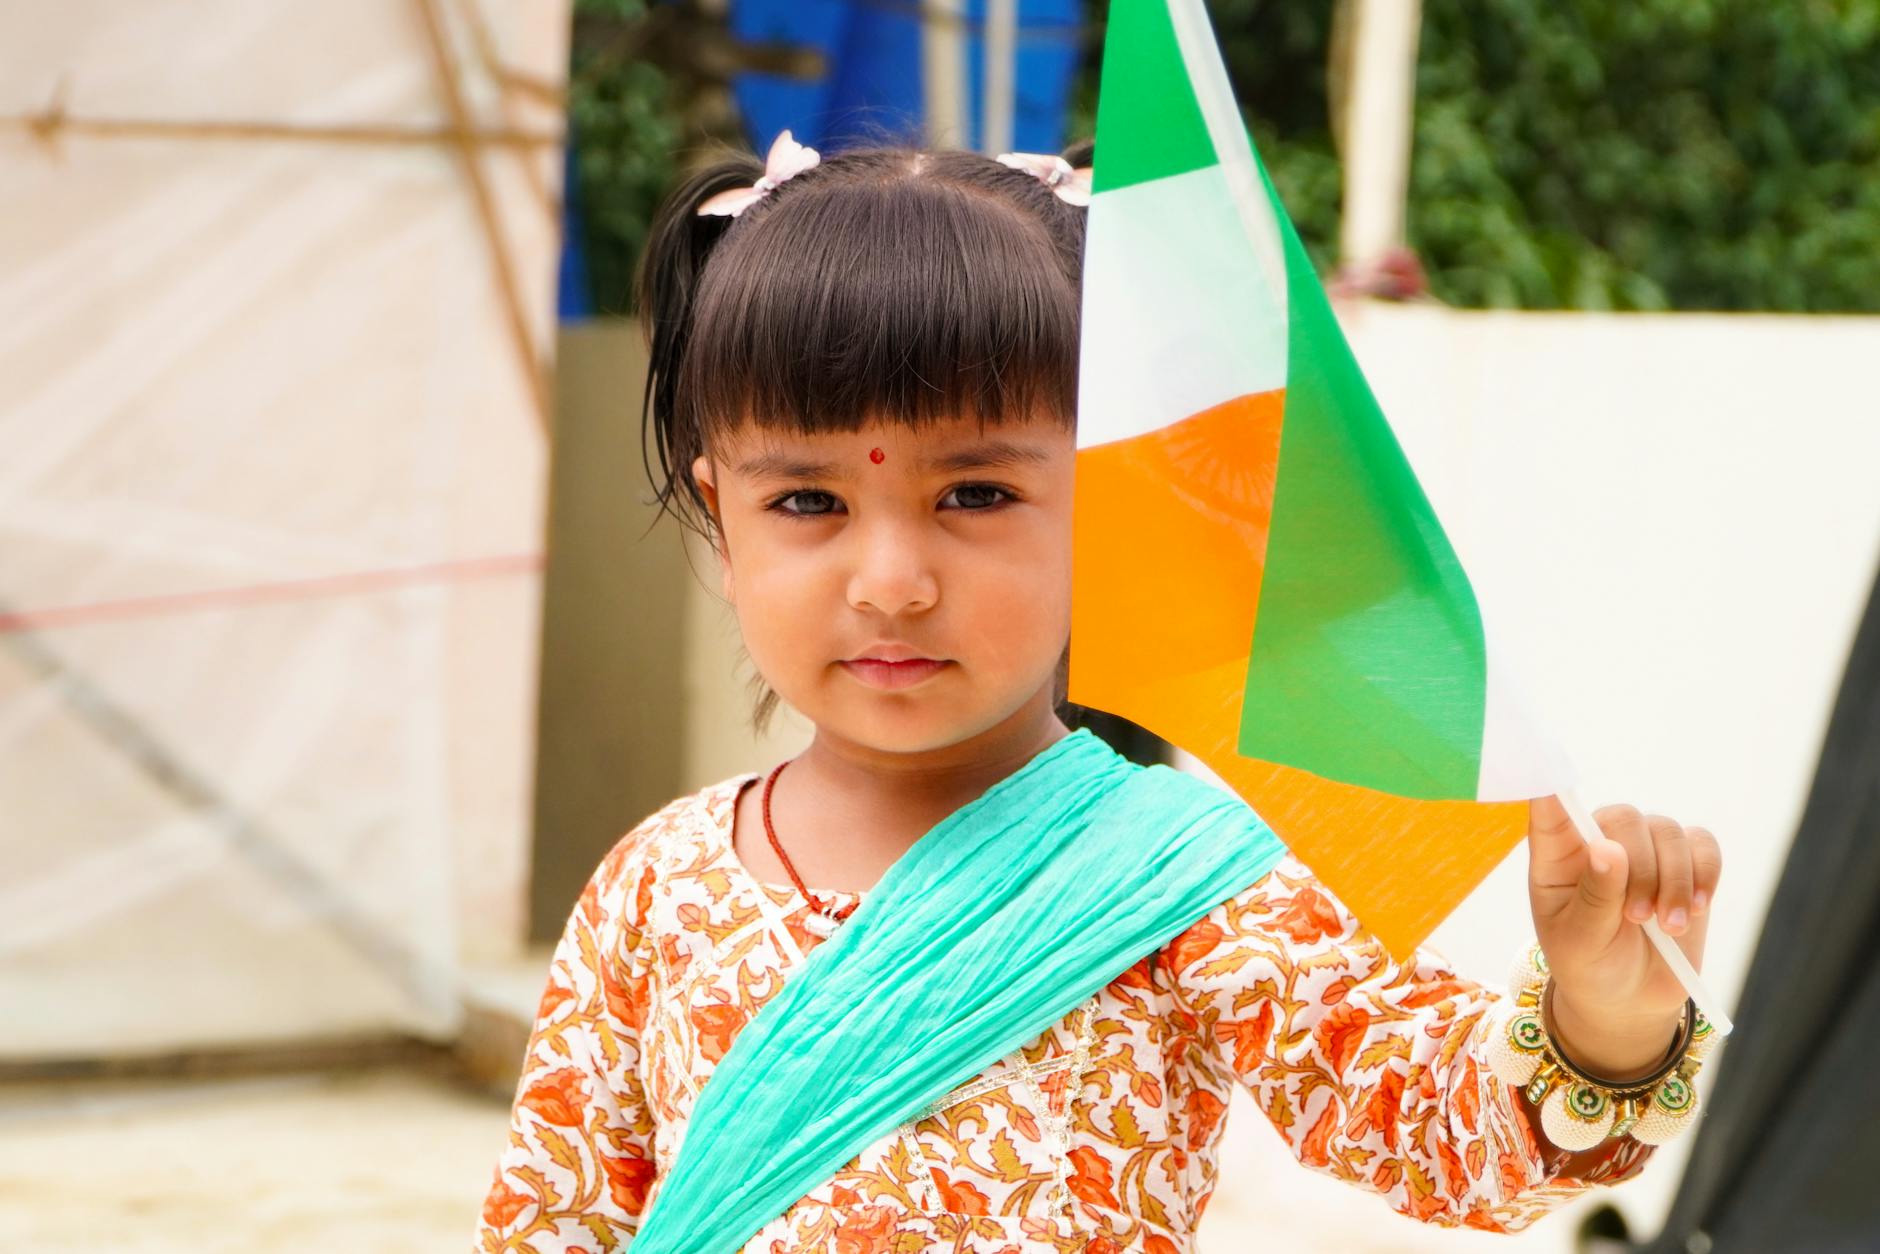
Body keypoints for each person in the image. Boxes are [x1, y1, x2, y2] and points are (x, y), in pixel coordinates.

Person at [475, 135, 1724, 1253]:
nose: (892, 581)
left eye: (975, 495)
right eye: (808, 502)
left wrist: (1602, 1019)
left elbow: (1439, 1135)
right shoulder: (654, 893)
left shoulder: (1188, 883)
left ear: (1111, 516)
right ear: (718, 512)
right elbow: (551, 1225)